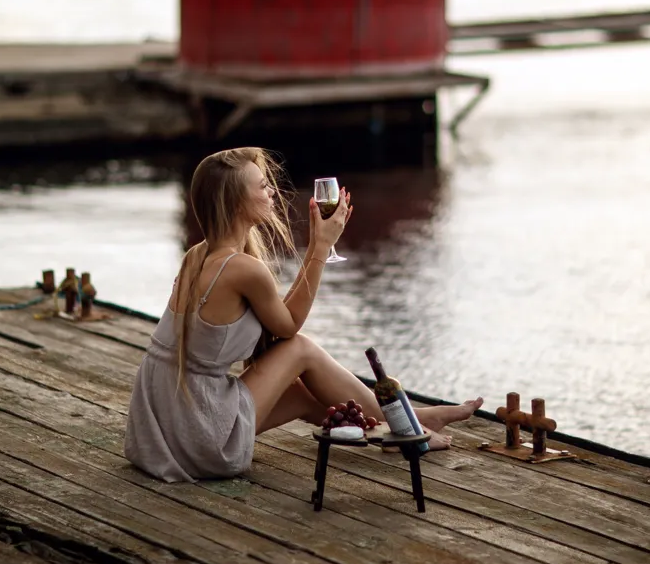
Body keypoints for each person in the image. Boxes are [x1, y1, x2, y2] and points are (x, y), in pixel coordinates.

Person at [125, 147, 483, 482]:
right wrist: (320, 246)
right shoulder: (241, 268)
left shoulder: (198, 255)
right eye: (263, 186)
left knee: (302, 395)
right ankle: (408, 430)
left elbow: (277, 320)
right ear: (235, 203)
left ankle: (406, 425)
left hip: (161, 425)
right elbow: (290, 329)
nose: (273, 194)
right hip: (197, 434)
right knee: (302, 349)